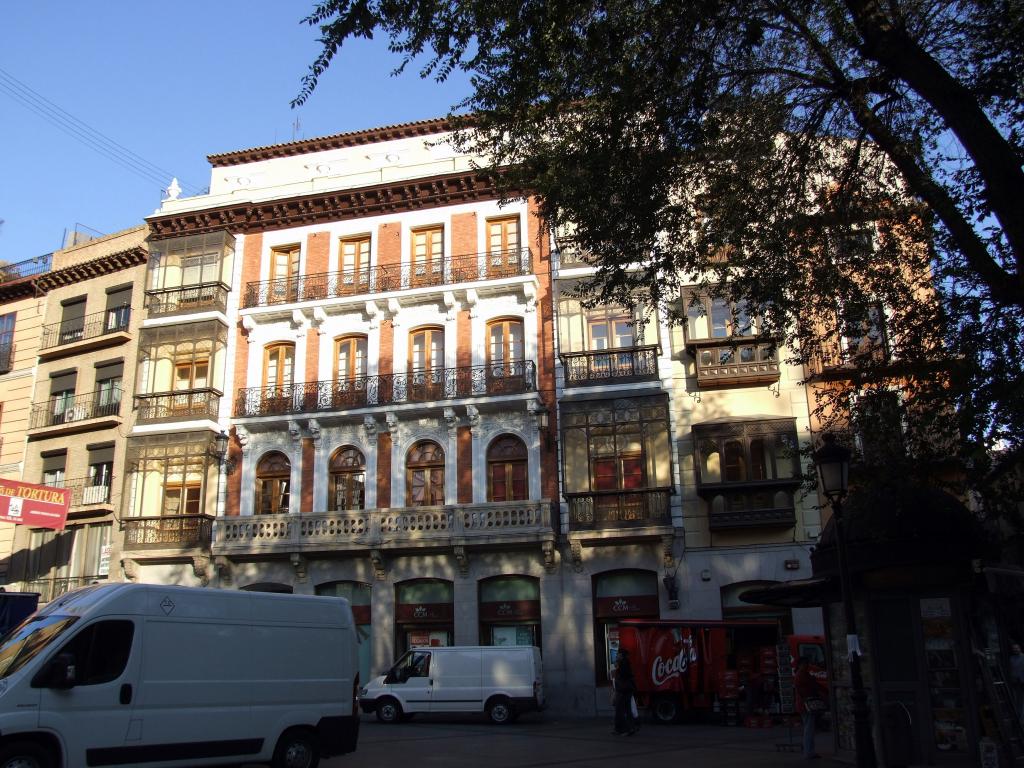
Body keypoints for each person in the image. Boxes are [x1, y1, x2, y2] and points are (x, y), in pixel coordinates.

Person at [794, 656, 826, 760]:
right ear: (800, 664)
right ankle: (809, 752)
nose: (807, 665)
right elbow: (808, 688)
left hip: (804, 704)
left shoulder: (802, 674)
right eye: (805, 664)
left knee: (809, 728)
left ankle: (809, 751)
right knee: (809, 728)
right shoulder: (802, 675)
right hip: (806, 704)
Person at [612, 648, 639, 736]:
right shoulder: (624, 663)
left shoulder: (623, 663)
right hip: (625, 690)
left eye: (618, 654)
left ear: (622, 655)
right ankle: (625, 729)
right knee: (626, 710)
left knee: (621, 710)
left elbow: (624, 675)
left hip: (623, 690)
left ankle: (624, 729)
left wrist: (617, 667)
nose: (617, 655)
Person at [1010, 642, 1024, 723]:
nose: (1015, 650)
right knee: (1018, 699)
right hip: (1016, 681)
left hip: (1022, 680)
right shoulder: (1011, 659)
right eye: (1014, 649)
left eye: (1016, 648)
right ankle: (1019, 716)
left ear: (1020, 648)